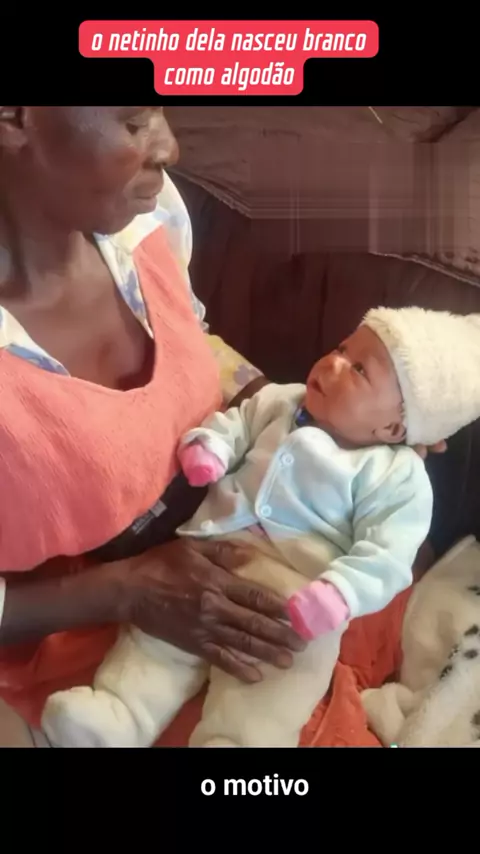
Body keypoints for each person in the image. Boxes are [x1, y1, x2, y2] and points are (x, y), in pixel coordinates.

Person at [0, 106, 310, 744]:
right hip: (74, 664)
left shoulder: (148, 217)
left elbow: (196, 346)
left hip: (243, 540)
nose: (170, 147)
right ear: (15, 118)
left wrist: (315, 412)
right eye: (136, 120)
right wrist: (126, 592)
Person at [40, 305, 474, 748]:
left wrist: (341, 592)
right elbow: (238, 421)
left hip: (297, 594)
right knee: (156, 643)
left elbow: (389, 554)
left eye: (359, 370)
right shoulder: (283, 400)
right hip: (211, 551)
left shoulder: (396, 477)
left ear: (394, 427)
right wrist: (212, 446)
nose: (333, 362)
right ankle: (117, 714)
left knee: (277, 679)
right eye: (342, 349)